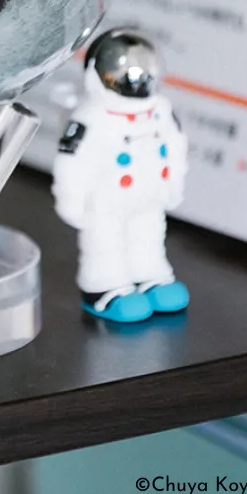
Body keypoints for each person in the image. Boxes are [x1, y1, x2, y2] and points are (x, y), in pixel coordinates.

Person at [52, 29, 189, 323]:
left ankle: (149, 276)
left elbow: (176, 148)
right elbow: (71, 163)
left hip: (149, 196)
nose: (136, 79)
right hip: (105, 201)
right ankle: (104, 289)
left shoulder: (161, 110)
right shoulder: (90, 117)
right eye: (124, 71)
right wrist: (71, 201)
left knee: (149, 236)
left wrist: (174, 185)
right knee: (105, 244)